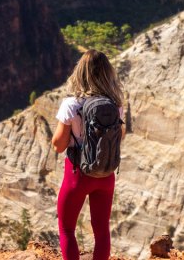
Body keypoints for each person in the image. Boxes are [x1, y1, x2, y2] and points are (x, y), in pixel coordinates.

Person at [52, 50, 126, 260]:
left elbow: (58, 145)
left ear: (80, 73)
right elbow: (120, 138)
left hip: (78, 175)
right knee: (101, 231)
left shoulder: (71, 104)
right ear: (107, 74)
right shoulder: (115, 105)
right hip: (106, 176)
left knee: (67, 230)